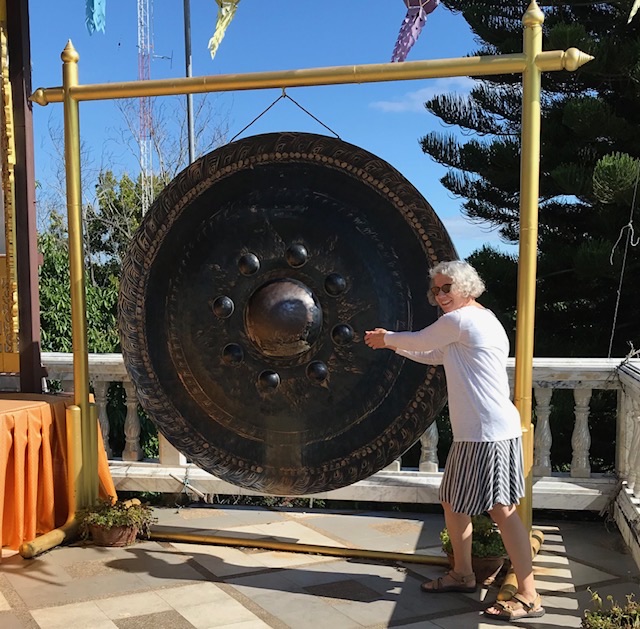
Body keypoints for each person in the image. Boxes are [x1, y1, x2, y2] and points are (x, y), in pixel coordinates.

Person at [364, 260, 544, 622]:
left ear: (466, 287)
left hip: (487, 432)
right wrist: (393, 346)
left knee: (502, 510)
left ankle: (529, 594)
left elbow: (422, 340)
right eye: (436, 290)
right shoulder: (481, 320)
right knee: (453, 501)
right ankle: (462, 574)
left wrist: (387, 338)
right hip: (479, 432)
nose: (441, 295)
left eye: (447, 288)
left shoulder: (461, 321)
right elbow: (432, 353)